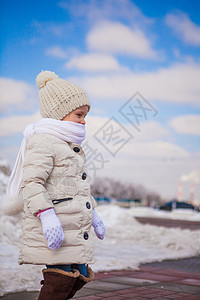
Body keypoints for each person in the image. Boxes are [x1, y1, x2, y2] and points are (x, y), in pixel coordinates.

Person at [6, 70, 105, 299]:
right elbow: (32, 183)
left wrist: (94, 214)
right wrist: (47, 215)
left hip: (72, 225)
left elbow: (75, 188)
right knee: (59, 279)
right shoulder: (43, 142)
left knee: (77, 274)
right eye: (79, 114)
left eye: (85, 115)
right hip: (55, 224)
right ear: (59, 113)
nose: (84, 120)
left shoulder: (69, 146)